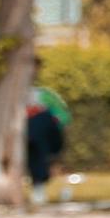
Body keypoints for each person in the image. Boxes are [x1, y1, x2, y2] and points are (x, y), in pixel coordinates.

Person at [25, 57, 73, 195]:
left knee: (40, 120)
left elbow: (64, 117)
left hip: (47, 138)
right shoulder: (8, 95)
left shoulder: (46, 95)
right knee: (34, 134)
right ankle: (39, 181)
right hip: (25, 137)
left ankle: (38, 181)